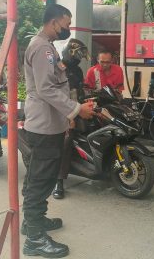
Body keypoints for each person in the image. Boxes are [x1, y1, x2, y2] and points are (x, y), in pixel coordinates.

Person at [20, 4, 95, 258]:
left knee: (38, 176)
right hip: (44, 125)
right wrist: (76, 110)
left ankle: (32, 222)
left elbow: (52, 77)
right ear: (54, 22)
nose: (68, 28)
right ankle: (35, 240)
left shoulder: (46, 46)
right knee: (41, 180)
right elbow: (46, 88)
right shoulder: (42, 47)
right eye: (66, 23)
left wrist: (65, 64)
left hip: (46, 123)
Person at [53, 38, 91, 200]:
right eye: (78, 54)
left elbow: (79, 92)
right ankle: (59, 180)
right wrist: (69, 116)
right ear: (70, 52)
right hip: (61, 112)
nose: (80, 58)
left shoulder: (78, 71)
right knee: (66, 140)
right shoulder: (58, 69)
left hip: (77, 108)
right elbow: (57, 97)